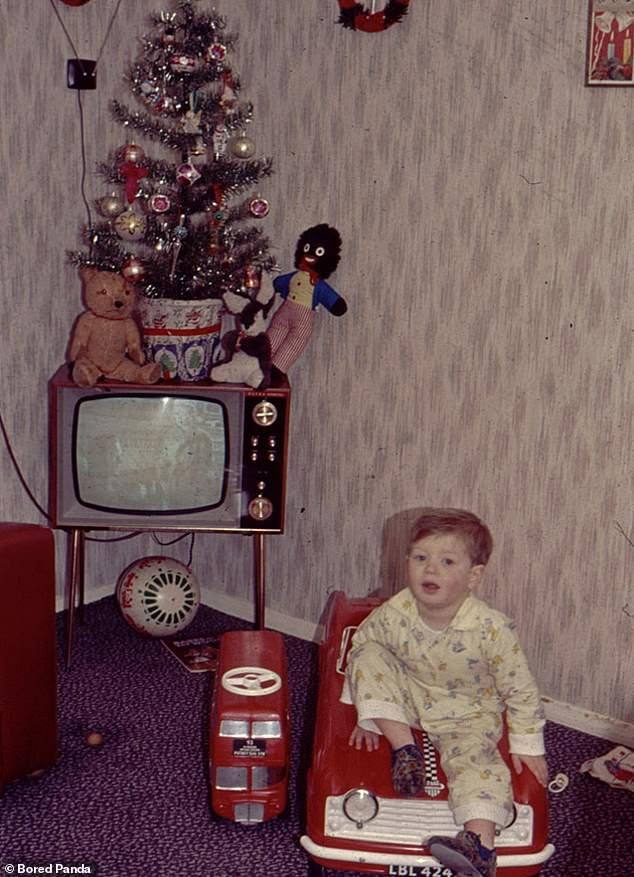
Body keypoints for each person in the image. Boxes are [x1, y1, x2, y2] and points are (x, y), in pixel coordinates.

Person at [341, 507, 548, 877]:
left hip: (467, 714)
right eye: (420, 558)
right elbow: (362, 650)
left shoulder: (492, 629)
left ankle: (479, 846)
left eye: (447, 561)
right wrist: (366, 713)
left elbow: (521, 691)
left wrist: (527, 744)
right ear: (407, 562)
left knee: (479, 765)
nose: (430, 569)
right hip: (410, 697)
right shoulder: (395, 611)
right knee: (369, 652)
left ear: (473, 576)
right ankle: (405, 749)